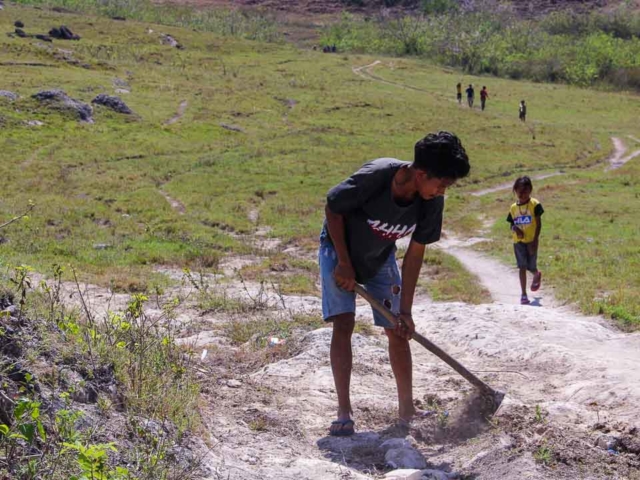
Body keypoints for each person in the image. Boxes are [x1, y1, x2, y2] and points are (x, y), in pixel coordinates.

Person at [319, 132, 470, 436]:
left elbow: (414, 255)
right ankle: (344, 411)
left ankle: (407, 410)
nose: (441, 192)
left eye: (446, 187)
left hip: (380, 257)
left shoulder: (431, 202)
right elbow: (333, 209)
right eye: (440, 184)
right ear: (421, 173)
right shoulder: (376, 176)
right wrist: (345, 263)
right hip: (338, 251)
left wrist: (406, 311)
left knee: (397, 331)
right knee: (344, 323)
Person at [507, 176, 543, 305]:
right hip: (518, 242)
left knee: (530, 266)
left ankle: (536, 273)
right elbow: (511, 224)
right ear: (515, 190)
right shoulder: (513, 208)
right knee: (522, 266)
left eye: (525, 191)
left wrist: (535, 241)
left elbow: (539, 224)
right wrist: (516, 229)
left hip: (532, 241)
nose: (522, 194)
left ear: (530, 190)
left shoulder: (535, 205)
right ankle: (523, 294)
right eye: (520, 191)